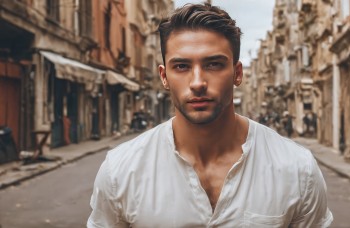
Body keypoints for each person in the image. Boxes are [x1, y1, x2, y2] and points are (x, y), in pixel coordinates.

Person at [87, 3, 333, 227]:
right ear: (164, 76)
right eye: (181, 66)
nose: (197, 82)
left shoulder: (297, 169)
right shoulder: (121, 171)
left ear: (238, 73)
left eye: (214, 64)